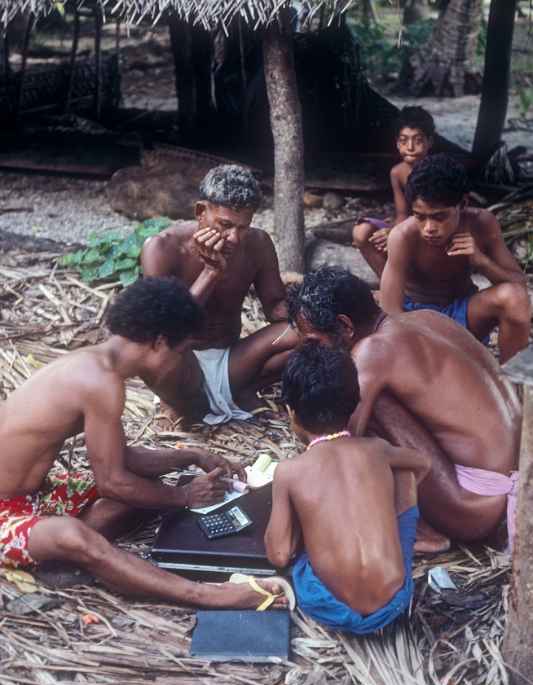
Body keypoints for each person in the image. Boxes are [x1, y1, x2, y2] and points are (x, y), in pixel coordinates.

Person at [0, 278, 287, 610]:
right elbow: (112, 483)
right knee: (73, 535)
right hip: (5, 512)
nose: (180, 363)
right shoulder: (100, 381)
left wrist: (193, 456)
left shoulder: (96, 365)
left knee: (144, 489)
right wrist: (183, 496)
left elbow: (123, 460)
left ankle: (59, 554)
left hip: (34, 497)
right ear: (159, 343)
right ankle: (207, 594)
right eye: (181, 353)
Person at [288, 268, 522, 552]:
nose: (313, 351)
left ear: (345, 326)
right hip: (514, 481)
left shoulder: (373, 352)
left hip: (477, 506)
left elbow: (337, 447)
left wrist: (302, 431)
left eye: (314, 342)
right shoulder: (426, 318)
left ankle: (420, 531)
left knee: (352, 407)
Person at [264, 341, 430, 634]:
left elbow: (278, 555)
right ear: (353, 404)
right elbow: (423, 465)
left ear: (291, 413)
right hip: (394, 602)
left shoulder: (288, 471)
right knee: (402, 473)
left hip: (329, 606)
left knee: (301, 525)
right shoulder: (377, 449)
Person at [141, 163, 298, 427]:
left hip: (233, 362)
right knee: (156, 350)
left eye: (243, 227)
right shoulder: (162, 248)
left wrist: (311, 309)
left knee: (311, 331)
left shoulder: (257, 244)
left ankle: (243, 389)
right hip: (181, 367)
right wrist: (210, 273)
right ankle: (175, 403)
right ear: (201, 212)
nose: (234, 238)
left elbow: (275, 309)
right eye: (225, 225)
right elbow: (164, 331)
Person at [380, 153, 530, 363]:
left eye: (440, 216)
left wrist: (481, 261)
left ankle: (509, 383)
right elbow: (390, 312)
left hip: (464, 315)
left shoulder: (482, 223)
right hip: (417, 319)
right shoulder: (403, 236)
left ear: (462, 204)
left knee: (515, 298)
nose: (429, 228)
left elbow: (520, 285)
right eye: (420, 217)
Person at [352, 106, 435, 279]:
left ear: (430, 142)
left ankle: (412, 287)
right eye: (404, 141)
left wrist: (396, 233)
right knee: (362, 233)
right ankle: (390, 284)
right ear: (397, 143)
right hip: (407, 224)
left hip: (431, 228)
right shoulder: (397, 172)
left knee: (396, 239)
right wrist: (392, 231)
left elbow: (434, 215)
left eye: (418, 141)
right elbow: (402, 213)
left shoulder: (437, 170)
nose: (410, 147)